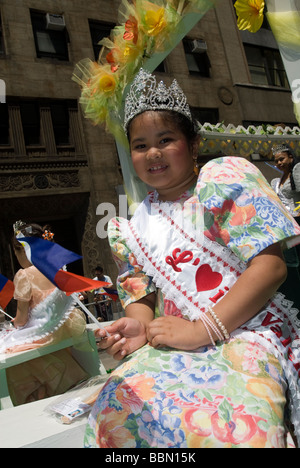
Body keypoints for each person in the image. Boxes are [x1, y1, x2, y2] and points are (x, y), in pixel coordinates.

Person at [85, 69, 300, 448]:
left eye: (165, 139)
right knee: (115, 410)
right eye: (140, 145)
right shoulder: (132, 226)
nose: (153, 152)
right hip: (179, 342)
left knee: (237, 424)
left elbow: (271, 266)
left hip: (249, 329)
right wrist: (138, 326)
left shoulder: (223, 179)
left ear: (194, 144)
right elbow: (141, 298)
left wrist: (202, 331)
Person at [0, 221, 88, 406]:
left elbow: (22, 318)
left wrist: (16, 323)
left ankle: (34, 393)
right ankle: (46, 386)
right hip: (62, 328)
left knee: (7, 350)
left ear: (22, 250)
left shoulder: (24, 275)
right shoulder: (57, 269)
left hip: (41, 332)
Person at [271, 144, 300, 309]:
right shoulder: (276, 181)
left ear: (290, 157)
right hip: (287, 226)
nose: (279, 163)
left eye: (281, 159)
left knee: (294, 258)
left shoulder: (297, 171)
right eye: (276, 161)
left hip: (298, 221)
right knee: (290, 257)